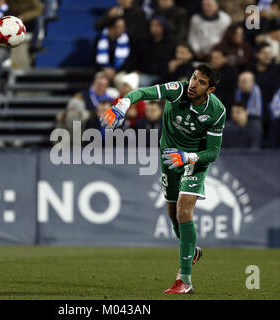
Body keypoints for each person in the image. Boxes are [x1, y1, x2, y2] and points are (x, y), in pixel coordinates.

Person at [101, 63, 226, 294]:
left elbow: (212, 152)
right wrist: (125, 102)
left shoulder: (216, 111)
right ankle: (193, 251)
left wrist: (187, 157)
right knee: (172, 213)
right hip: (168, 157)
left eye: (201, 82)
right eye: (193, 77)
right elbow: (143, 92)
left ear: (211, 90)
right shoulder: (177, 90)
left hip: (193, 160)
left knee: (183, 211)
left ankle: (185, 279)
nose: (193, 84)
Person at [125, 15, 177, 87]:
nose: (154, 28)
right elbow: (135, 58)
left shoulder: (171, 43)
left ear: (163, 27)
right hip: (144, 74)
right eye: (152, 25)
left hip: (163, 76)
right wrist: (135, 69)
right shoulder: (142, 41)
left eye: (157, 25)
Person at [94, 17, 130, 82]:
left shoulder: (128, 40)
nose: (122, 29)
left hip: (120, 71)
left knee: (122, 80)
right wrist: (104, 68)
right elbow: (93, 59)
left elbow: (130, 61)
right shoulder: (99, 40)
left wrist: (115, 70)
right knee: (99, 78)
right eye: (119, 26)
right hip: (103, 70)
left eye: (123, 27)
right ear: (112, 28)